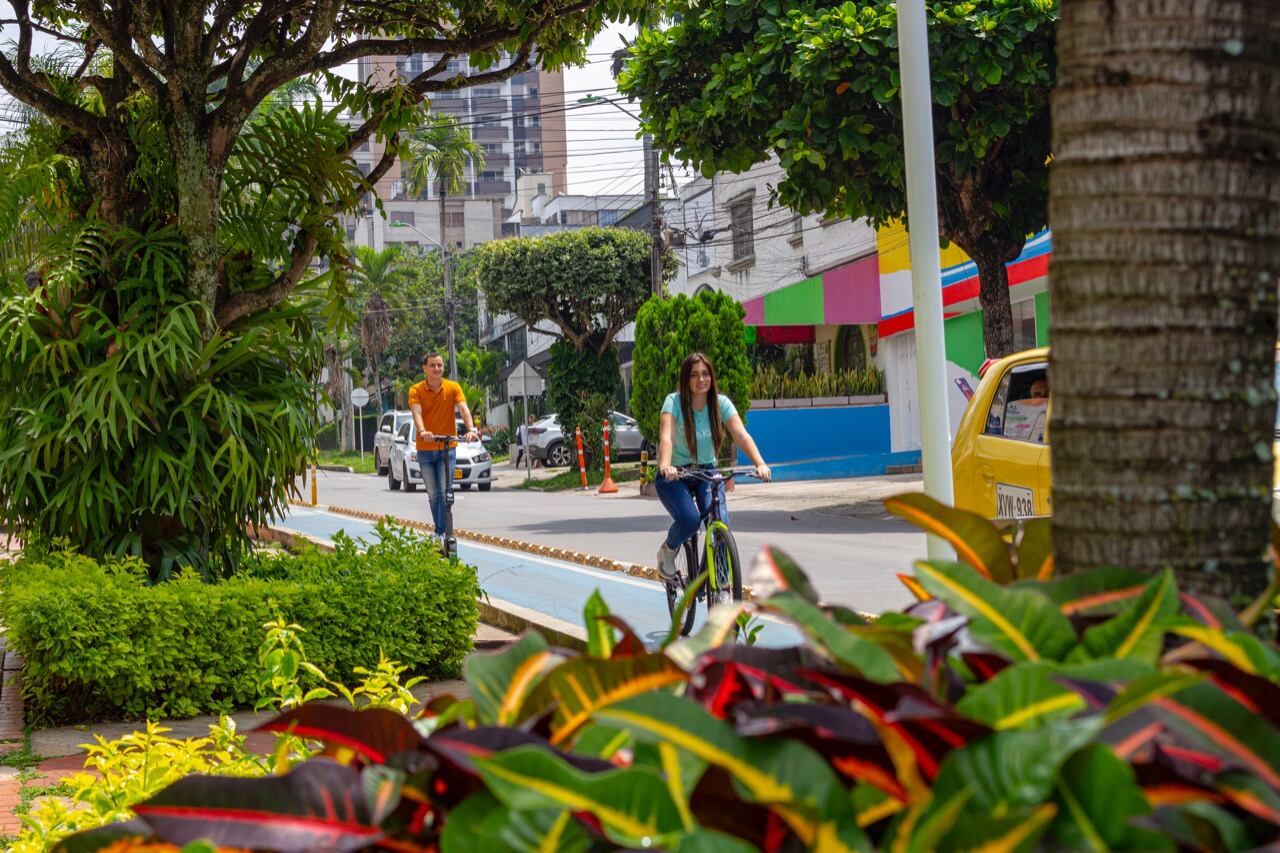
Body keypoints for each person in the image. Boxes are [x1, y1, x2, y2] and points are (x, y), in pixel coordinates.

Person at [656, 352, 771, 580]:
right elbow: (666, 437)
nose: (701, 380)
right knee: (690, 520)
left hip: (707, 471)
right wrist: (666, 465)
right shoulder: (674, 402)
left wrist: (760, 463)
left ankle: (721, 581)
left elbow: (740, 435)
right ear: (685, 379)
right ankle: (668, 551)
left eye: (706, 374)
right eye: (694, 375)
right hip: (675, 475)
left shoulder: (721, 403)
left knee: (720, 523)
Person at [409, 352, 479, 541]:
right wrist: (423, 431)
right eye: (432, 365)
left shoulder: (453, 387)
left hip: (447, 449)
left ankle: (444, 533)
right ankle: (439, 531)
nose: (437, 369)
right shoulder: (416, 390)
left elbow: (463, 409)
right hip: (425, 449)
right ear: (425, 368)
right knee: (433, 494)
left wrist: (471, 429)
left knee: (445, 492)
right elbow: (417, 413)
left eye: (439, 365)